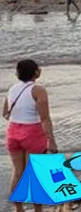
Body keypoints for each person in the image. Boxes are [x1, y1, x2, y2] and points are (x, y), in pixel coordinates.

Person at [4, 60, 57, 212]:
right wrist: (51, 141)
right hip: (32, 133)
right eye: (38, 68)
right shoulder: (38, 90)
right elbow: (45, 118)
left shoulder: (12, 89)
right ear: (35, 72)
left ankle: (18, 208)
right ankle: (37, 210)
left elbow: (5, 113)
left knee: (17, 172)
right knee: (34, 175)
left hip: (13, 132)